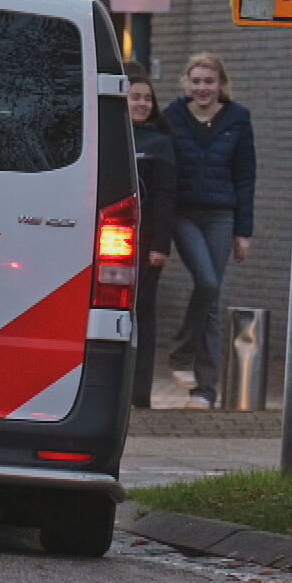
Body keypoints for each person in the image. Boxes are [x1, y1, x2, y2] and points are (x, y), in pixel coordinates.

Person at [164, 53, 257, 410]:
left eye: (209, 81)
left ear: (221, 84)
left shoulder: (238, 119)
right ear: (187, 83)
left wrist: (243, 231)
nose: (203, 88)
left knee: (213, 300)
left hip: (221, 214)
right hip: (183, 213)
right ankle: (181, 353)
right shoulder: (172, 117)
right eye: (197, 81)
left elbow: (245, 176)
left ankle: (205, 390)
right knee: (206, 282)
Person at [126, 63, 176, 409]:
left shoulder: (161, 143)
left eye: (147, 98)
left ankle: (140, 392)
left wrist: (160, 245)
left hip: (146, 240)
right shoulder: (111, 136)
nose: (142, 104)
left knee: (143, 310)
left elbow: (165, 196)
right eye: (136, 98)